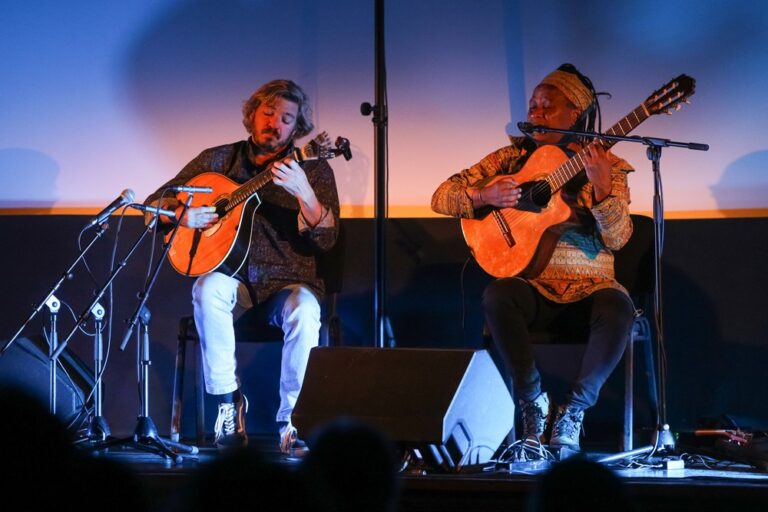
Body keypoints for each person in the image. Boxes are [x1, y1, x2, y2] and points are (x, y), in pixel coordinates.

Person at [431, 64, 635, 450]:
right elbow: (441, 196)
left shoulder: (608, 165)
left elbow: (619, 238)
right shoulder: (511, 159)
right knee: (498, 295)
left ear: (575, 113)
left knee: (619, 308)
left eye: (548, 106)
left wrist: (603, 189)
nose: (537, 113)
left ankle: (574, 410)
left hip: (591, 288)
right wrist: (483, 195)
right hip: (533, 286)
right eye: (533, 106)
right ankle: (532, 400)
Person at [145, 79, 340, 452]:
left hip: (289, 283)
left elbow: (328, 239)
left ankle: (293, 423)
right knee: (207, 287)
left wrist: (305, 193)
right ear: (252, 115)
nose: (275, 124)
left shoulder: (313, 168)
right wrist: (183, 215)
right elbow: (157, 203)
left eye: (286, 119)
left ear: (297, 128)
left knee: (305, 309)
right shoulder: (218, 160)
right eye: (268, 113)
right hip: (235, 282)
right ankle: (227, 404)